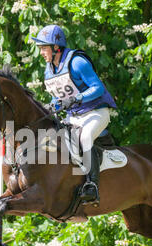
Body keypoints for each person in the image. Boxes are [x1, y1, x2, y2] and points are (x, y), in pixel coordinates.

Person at [31, 24, 117, 206]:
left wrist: (76, 99)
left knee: (84, 138)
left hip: (96, 112)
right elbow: (58, 97)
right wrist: (52, 106)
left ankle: (92, 185)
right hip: (74, 116)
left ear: (56, 47)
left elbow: (98, 88)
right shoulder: (49, 69)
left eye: (43, 48)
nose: (41, 53)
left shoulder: (77, 62)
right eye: (40, 49)